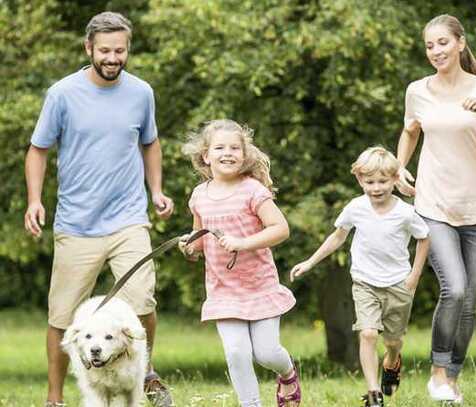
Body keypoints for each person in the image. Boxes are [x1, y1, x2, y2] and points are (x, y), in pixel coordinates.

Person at [24, 12, 175, 407]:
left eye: (120, 51)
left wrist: (155, 190)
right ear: (88, 48)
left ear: (128, 50)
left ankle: (144, 374)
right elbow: (38, 150)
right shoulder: (62, 94)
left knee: (142, 303)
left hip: (128, 218)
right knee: (64, 317)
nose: (113, 58)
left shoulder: (141, 92)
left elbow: (151, 142)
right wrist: (35, 200)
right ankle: (55, 396)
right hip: (77, 224)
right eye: (105, 50)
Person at [396, 14, 476, 403]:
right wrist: (400, 167)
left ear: (461, 43)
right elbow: (410, 129)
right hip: (434, 205)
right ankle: (437, 372)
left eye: (442, 43)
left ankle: (452, 376)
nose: (435, 51)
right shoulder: (418, 90)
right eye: (429, 46)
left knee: (469, 301)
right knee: (455, 288)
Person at [290, 146, 430, 407]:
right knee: (367, 334)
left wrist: (414, 276)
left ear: (395, 179)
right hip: (364, 282)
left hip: (399, 283)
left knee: (393, 340)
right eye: (370, 182)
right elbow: (337, 237)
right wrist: (309, 262)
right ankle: (374, 392)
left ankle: (393, 362)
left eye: (383, 181)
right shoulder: (356, 207)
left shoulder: (405, 212)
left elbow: (424, 238)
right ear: (359, 180)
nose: (376, 188)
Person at [178, 119, 301, 407]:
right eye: (219, 147)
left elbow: (280, 229)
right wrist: (189, 247)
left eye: (235, 148)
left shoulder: (252, 190)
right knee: (236, 353)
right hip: (223, 290)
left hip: (259, 286)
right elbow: (199, 241)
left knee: (267, 353)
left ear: (244, 155)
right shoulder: (199, 195)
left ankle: (287, 373)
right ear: (206, 156)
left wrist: (243, 242)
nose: (228, 153)